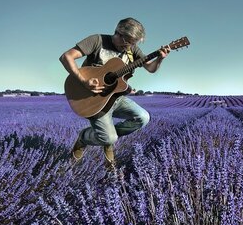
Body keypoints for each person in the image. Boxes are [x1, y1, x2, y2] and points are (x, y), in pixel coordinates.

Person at [59, 17, 170, 170]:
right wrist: (83, 80)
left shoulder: (132, 49)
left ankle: (106, 138)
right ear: (118, 34)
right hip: (93, 99)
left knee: (143, 118)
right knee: (109, 137)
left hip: (115, 98)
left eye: (133, 43)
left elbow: (150, 68)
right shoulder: (97, 40)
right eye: (128, 42)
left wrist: (160, 59)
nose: (130, 47)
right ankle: (85, 138)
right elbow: (67, 56)